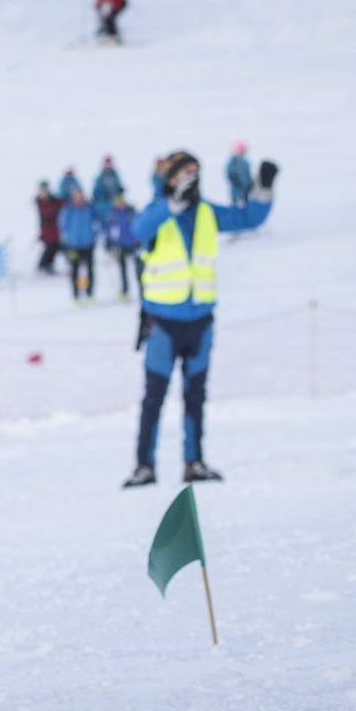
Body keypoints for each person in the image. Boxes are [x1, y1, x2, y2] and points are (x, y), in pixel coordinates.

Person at [124, 149, 278, 488]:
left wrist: (263, 188)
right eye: (185, 172)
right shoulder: (156, 211)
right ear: (171, 177)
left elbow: (248, 217)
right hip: (163, 324)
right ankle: (143, 465)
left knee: (195, 397)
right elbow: (138, 230)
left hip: (201, 323)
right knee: (154, 398)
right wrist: (171, 203)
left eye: (196, 171)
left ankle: (194, 462)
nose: (192, 178)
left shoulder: (207, 212)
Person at [58, 185, 97, 303]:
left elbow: (98, 222)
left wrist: (95, 235)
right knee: (75, 270)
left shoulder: (89, 207)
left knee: (90, 270)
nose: (79, 198)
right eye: (76, 196)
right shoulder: (69, 209)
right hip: (73, 245)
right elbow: (62, 225)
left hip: (88, 244)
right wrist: (67, 239)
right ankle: (75, 295)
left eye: (80, 195)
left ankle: (89, 293)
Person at [104, 191, 140, 299]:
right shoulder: (113, 213)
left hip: (134, 244)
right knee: (122, 269)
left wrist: (139, 240)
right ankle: (124, 291)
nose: (119, 202)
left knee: (139, 269)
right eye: (117, 201)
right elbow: (109, 229)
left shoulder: (131, 211)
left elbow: (139, 225)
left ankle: (142, 291)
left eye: (120, 200)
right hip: (120, 245)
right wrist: (109, 242)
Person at [32, 181, 62, 275]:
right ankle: (42, 265)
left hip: (55, 227)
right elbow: (48, 211)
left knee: (55, 246)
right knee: (49, 247)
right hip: (46, 228)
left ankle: (49, 265)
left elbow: (60, 205)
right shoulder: (40, 201)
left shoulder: (53, 199)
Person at [90, 155, 124, 227]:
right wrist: (103, 194)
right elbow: (96, 192)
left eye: (110, 164)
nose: (108, 166)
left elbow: (119, 188)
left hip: (114, 204)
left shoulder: (115, 176)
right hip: (102, 204)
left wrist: (120, 191)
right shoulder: (100, 177)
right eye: (107, 164)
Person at [226, 142, 253, 213]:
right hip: (236, 187)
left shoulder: (245, 162)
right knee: (235, 203)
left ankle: (245, 216)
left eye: (243, 151)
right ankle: (233, 216)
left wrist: (250, 183)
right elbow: (229, 172)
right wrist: (234, 180)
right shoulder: (233, 161)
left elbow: (248, 174)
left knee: (245, 203)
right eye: (240, 150)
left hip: (245, 187)